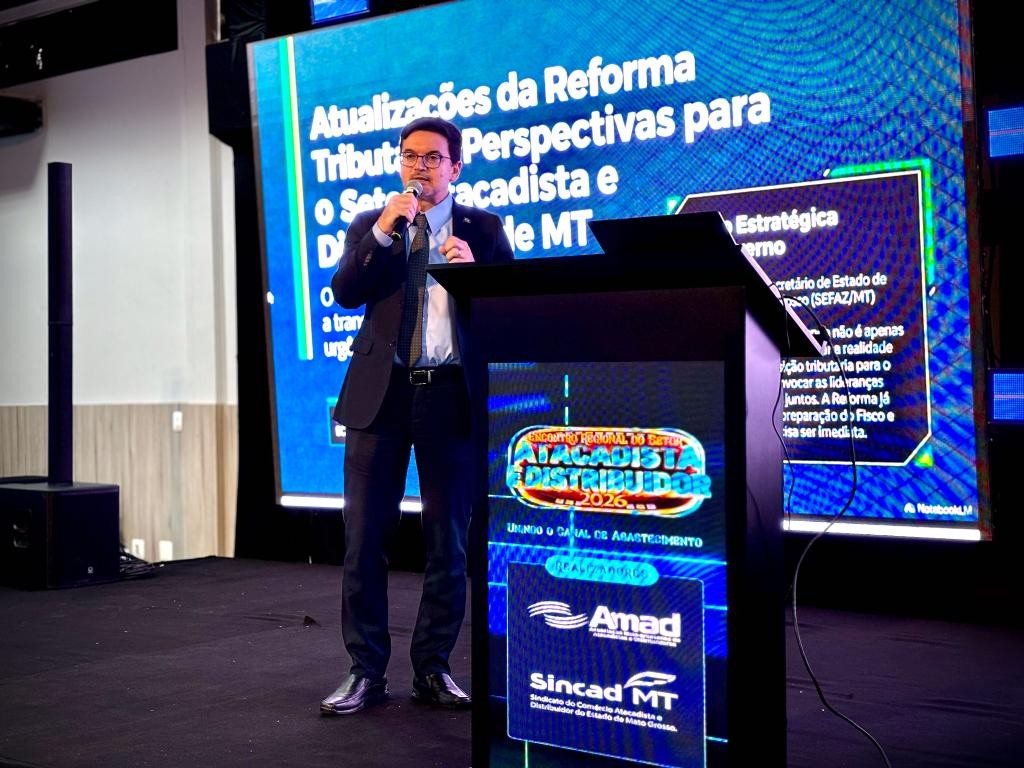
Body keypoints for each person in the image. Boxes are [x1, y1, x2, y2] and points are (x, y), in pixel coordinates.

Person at [320, 116, 514, 716]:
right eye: (410, 156)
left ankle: (432, 668)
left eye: (432, 157)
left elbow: (510, 312)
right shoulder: (373, 224)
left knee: (448, 542)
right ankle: (365, 671)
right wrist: (382, 231)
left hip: (450, 396)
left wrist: (475, 279)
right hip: (380, 397)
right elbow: (345, 292)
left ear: (456, 166)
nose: (419, 166)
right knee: (364, 538)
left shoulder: (484, 228)